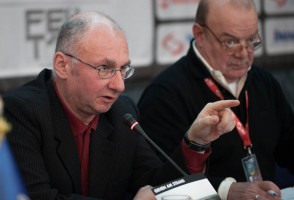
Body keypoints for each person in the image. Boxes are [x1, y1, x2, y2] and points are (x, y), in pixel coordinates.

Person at [3, 11, 240, 200]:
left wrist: (195, 142)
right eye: (104, 69)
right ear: (63, 65)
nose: (119, 86)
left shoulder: (121, 112)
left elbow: (157, 184)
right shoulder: (21, 111)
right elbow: (38, 197)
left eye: (123, 69)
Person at [138, 0, 294, 199]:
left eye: (251, 40)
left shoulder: (264, 82)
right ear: (200, 35)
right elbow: (161, 179)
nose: (244, 53)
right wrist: (224, 190)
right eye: (231, 42)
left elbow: (289, 144)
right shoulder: (164, 94)